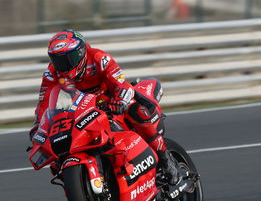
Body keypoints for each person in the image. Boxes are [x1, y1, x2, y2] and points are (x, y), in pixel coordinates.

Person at [29, 29, 180, 185]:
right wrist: (38, 126)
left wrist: (120, 100)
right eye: (58, 60)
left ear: (81, 52)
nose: (64, 66)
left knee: (136, 111)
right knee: (57, 151)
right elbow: (44, 102)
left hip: (111, 100)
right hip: (82, 109)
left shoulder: (99, 58)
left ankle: (165, 158)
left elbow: (120, 82)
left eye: (69, 58)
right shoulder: (52, 73)